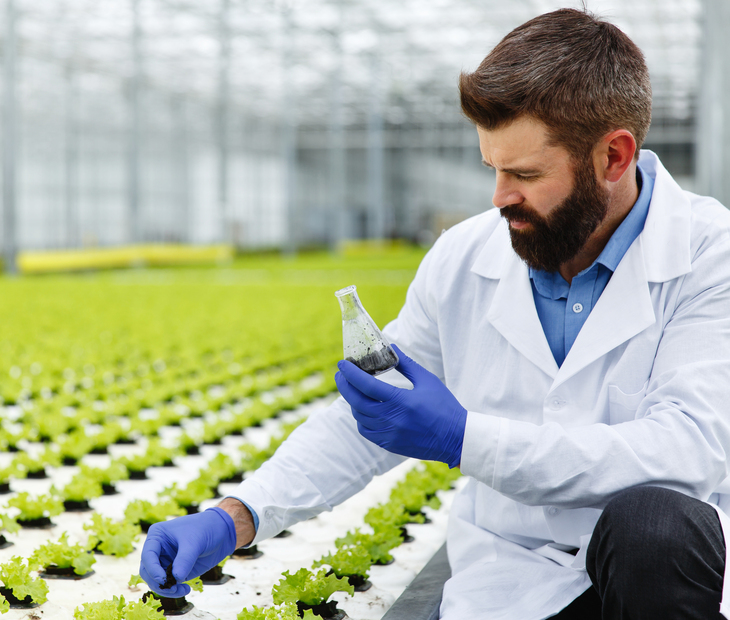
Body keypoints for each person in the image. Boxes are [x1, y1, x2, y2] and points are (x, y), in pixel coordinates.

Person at [140, 8, 730, 619]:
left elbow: (684, 450)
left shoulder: (711, 254)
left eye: (525, 173)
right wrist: (236, 517)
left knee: (655, 526)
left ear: (614, 157)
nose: (500, 197)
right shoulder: (464, 257)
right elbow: (369, 418)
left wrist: (464, 438)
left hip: (659, 581)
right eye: (493, 169)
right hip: (513, 580)